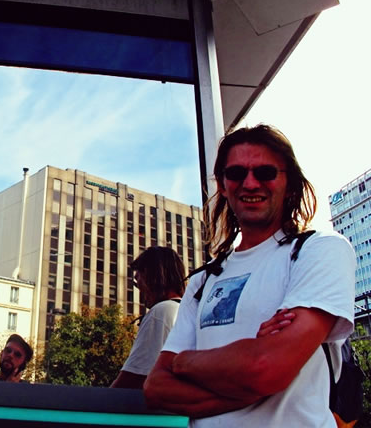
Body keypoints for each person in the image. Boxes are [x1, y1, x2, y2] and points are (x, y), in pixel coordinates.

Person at [144, 124, 355, 427]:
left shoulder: (319, 250)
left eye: (266, 172)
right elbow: (157, 388)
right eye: (237, 173)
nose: (251, 183)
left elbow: (265, 368)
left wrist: (184, 362)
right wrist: (250, 386)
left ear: (289, 182)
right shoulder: (203, 282)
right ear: (223, 185)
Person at [110, 246, 185, 389]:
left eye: (140, 284)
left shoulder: (161, 311)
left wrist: (100, 403)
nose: (141, 293)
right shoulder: (186, 311)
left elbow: (133, 378)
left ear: (154, 276)